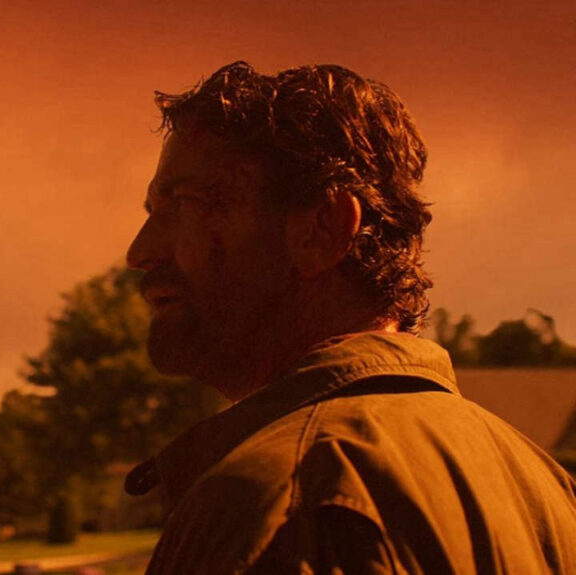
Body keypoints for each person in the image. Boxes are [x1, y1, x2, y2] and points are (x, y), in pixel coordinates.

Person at [124, 61, 576, 573]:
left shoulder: (273, 500)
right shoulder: (543, 488)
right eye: (151, 213)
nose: (139, 252)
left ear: (323, 228)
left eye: (186, 205)